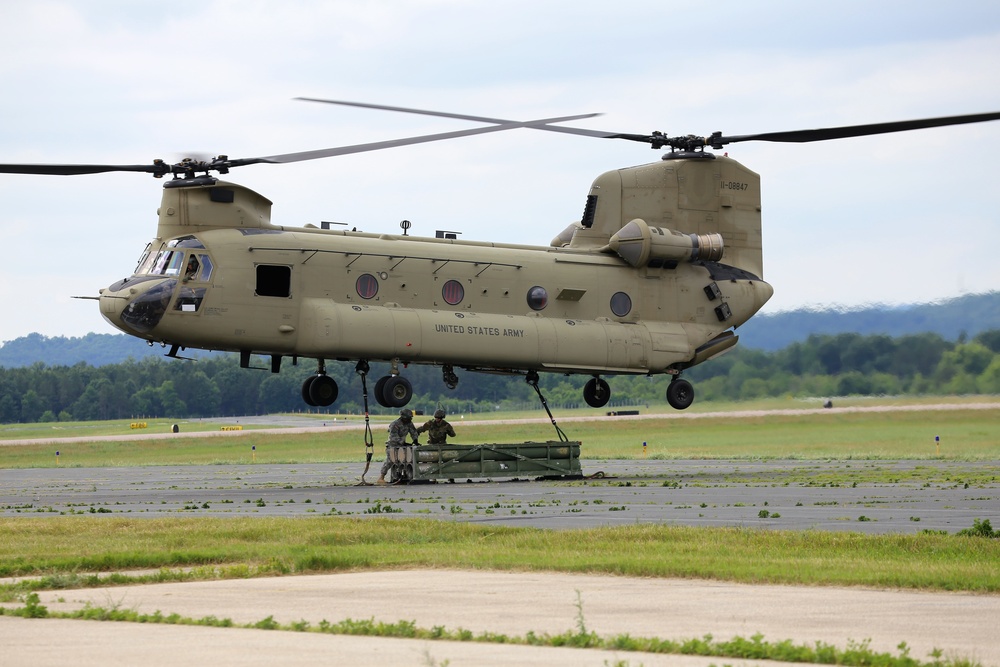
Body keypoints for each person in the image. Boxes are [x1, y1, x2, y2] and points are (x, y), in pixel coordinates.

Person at [377, 408, 419, 484]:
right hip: (392, 445)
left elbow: (413, 431)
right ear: (404, 417)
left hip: (402, 446)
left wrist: (415, 440)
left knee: (408, 460)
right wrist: (402, 442)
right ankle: (381, 477)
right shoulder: (395, 424)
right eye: (409, 417)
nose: (410, 419)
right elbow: (393, 437)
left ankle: (405, 477)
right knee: (391, 460)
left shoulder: (409, 423)